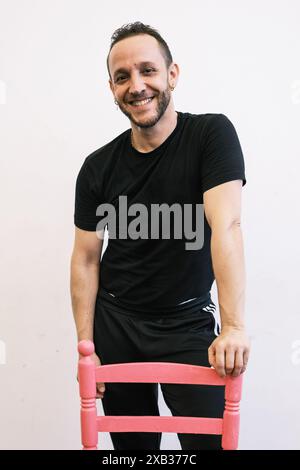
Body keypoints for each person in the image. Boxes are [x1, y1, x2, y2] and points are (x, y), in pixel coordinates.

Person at [70, 21, 250, 450]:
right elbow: (85, 259)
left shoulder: (210, 136)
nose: (137, 85)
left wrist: (234, 327)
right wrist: (87, 345)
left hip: (187, 322)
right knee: (134, 452)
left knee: (206, 446)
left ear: (172, 74)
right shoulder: (98, 167)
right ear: (112, 88)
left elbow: (226, 226)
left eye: (148, 70)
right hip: (117, 323)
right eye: (122, 76)